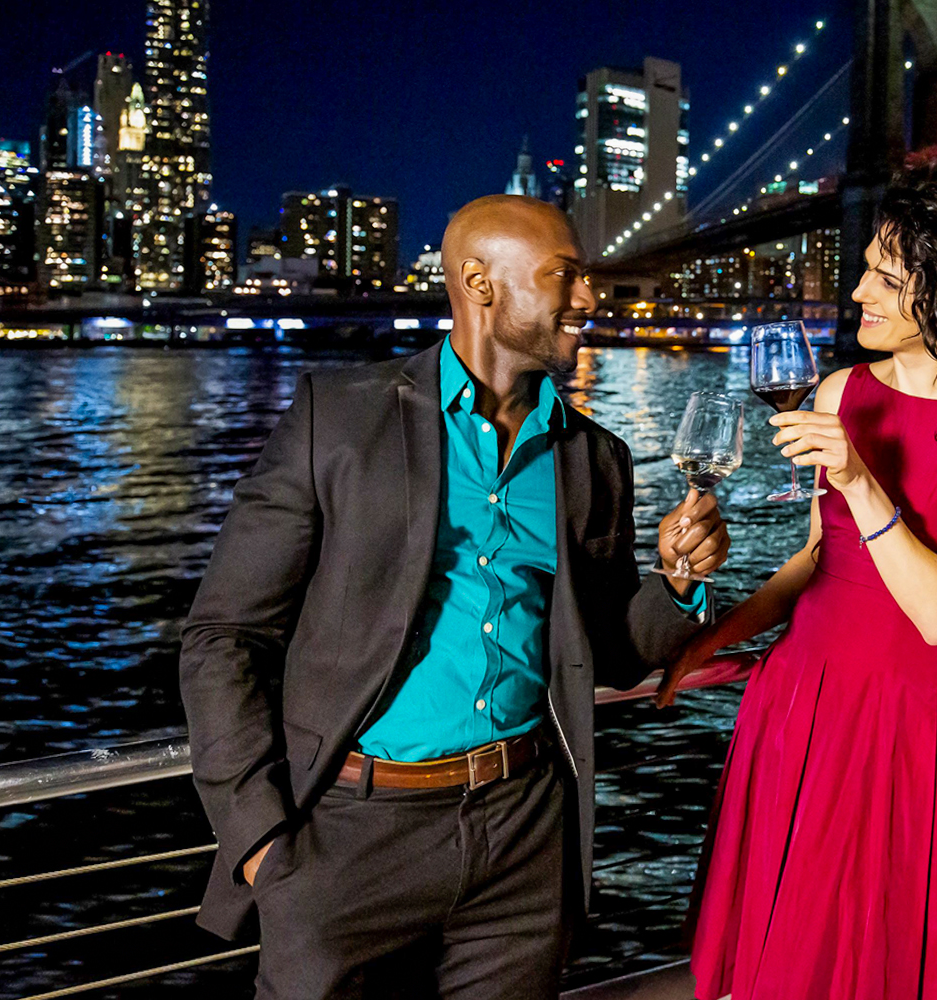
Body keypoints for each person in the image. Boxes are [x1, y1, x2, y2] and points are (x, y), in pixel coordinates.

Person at [179, 194, 729, 1000]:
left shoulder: (595, 459)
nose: (589, 298)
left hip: (524, 836)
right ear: (479, 282)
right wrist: (261, 842)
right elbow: (223, 637)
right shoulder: (336, 422)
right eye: (565, 276)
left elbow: (610, 651)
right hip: (349, 840)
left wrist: (678, 585)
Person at [655, 173, 937, 999]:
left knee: (883, 956)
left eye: (885, 276)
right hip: (802, 699)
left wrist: (859, 478)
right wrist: (708, 638)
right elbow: (820, 558)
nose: (856, 292)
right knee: (788, 957)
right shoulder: (844, 389)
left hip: (918, 716)